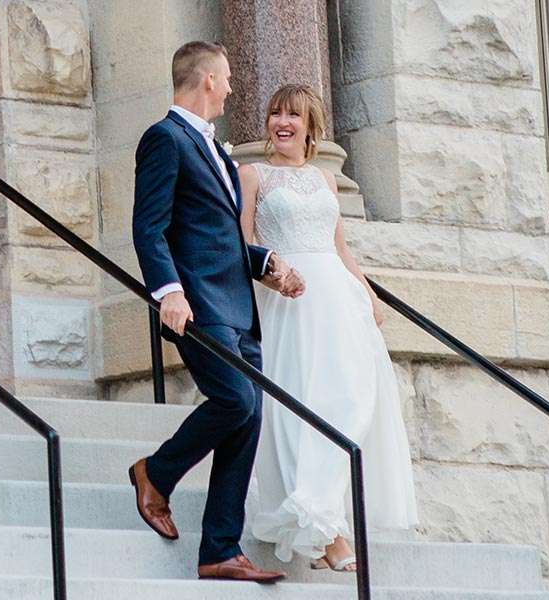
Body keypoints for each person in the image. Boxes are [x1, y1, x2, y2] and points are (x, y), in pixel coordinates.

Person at [126, 40, 304, 584]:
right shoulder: (165, 139)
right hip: (199, 305)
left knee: (248, 414)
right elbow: (149, 227)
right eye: (226, 78)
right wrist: (169, 293)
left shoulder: (217, 151)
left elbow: (213, 235)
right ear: (206, 80)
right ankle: (154, 472)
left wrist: (265, 261)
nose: (230, 88)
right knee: (235, 399)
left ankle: (220, 550)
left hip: (237, 305)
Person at [239, 83, 419, 572]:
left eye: (293, 115)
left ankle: (325, 524)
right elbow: (240, 246)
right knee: (302, 405)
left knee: (348, 403)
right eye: (276, 113)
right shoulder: (252, 175)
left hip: (337, 302)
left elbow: (340, 249)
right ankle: (327, 533)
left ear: (309, 126)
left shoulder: (323, 181)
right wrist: (272, 277)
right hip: (287, 303)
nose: (283, 122)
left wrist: (368, 293)